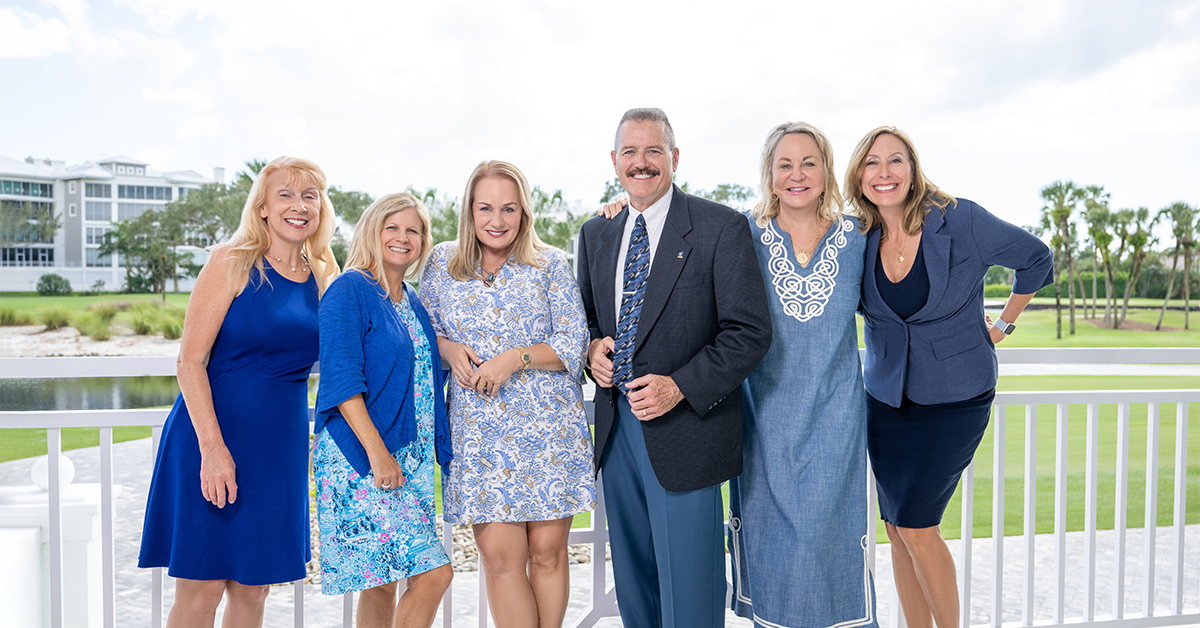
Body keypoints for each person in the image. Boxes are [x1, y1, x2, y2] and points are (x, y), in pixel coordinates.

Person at [847, 127, 1054, 628]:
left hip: (956, 396)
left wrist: (1003, 324)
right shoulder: (855, 236)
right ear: (859, 175)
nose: (884, 173)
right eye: (872, 163)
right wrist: (620, 212)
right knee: (896, 529)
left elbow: (1036, 258)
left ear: (913, 169)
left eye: (895, 161)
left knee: (917, 527)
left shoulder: (960, 219)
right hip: (887, 400)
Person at [576, 107, 772, 628]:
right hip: (616, 430)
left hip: (688, 430)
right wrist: (592, 347)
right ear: (615, 161)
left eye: (654, 151)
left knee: (691, 588)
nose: (642, 163)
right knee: (635, 583)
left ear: (675, 158)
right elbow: (590, 320)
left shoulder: (720, 228)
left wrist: (679, 387)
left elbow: (749, 332)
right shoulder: (596, 234)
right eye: (630, 152)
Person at [138, 156, 339, 627]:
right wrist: (213, 449)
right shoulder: (231, 261)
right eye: (285, 194)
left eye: (310, 195)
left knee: (255, 589)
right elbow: (190, 362)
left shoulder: (325, 275)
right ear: (263, 207)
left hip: (279, 445)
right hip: (212, 436)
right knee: (202, 588)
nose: (299, 205)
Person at [418, 160, 595, 628]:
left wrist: (514, 358)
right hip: (479, 436)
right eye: (486, 208)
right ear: (469, 211)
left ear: (524, 213)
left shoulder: (550, 263)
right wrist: (450, 348)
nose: (497, 220)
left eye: (509, 209)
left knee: (547, 553)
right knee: (499, 559)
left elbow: (572, 343)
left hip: (548, 431)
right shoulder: (440, 263)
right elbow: (419, 333)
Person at [726, 122, 879, 628]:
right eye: (785, 164)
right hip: (764, 425)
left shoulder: (858, 235)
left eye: (809, 162)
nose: (797, 175)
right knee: (775, 560)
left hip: (836, 425)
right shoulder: (740, 234)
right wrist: (624, 211)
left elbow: (910, 264)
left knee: (825, 547)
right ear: (769, 174)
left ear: (826, 171)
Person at [313, 192, 453, 628]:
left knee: (382, 580)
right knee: (435, 574)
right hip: (363, 458)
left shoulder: (410, 299)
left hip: (406, 458)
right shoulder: (349, 290)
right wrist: (377, 454)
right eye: (391, 227)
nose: (402, 237)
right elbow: (342, 383)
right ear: (372, 232)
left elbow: (421, 370)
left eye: (413, 230)